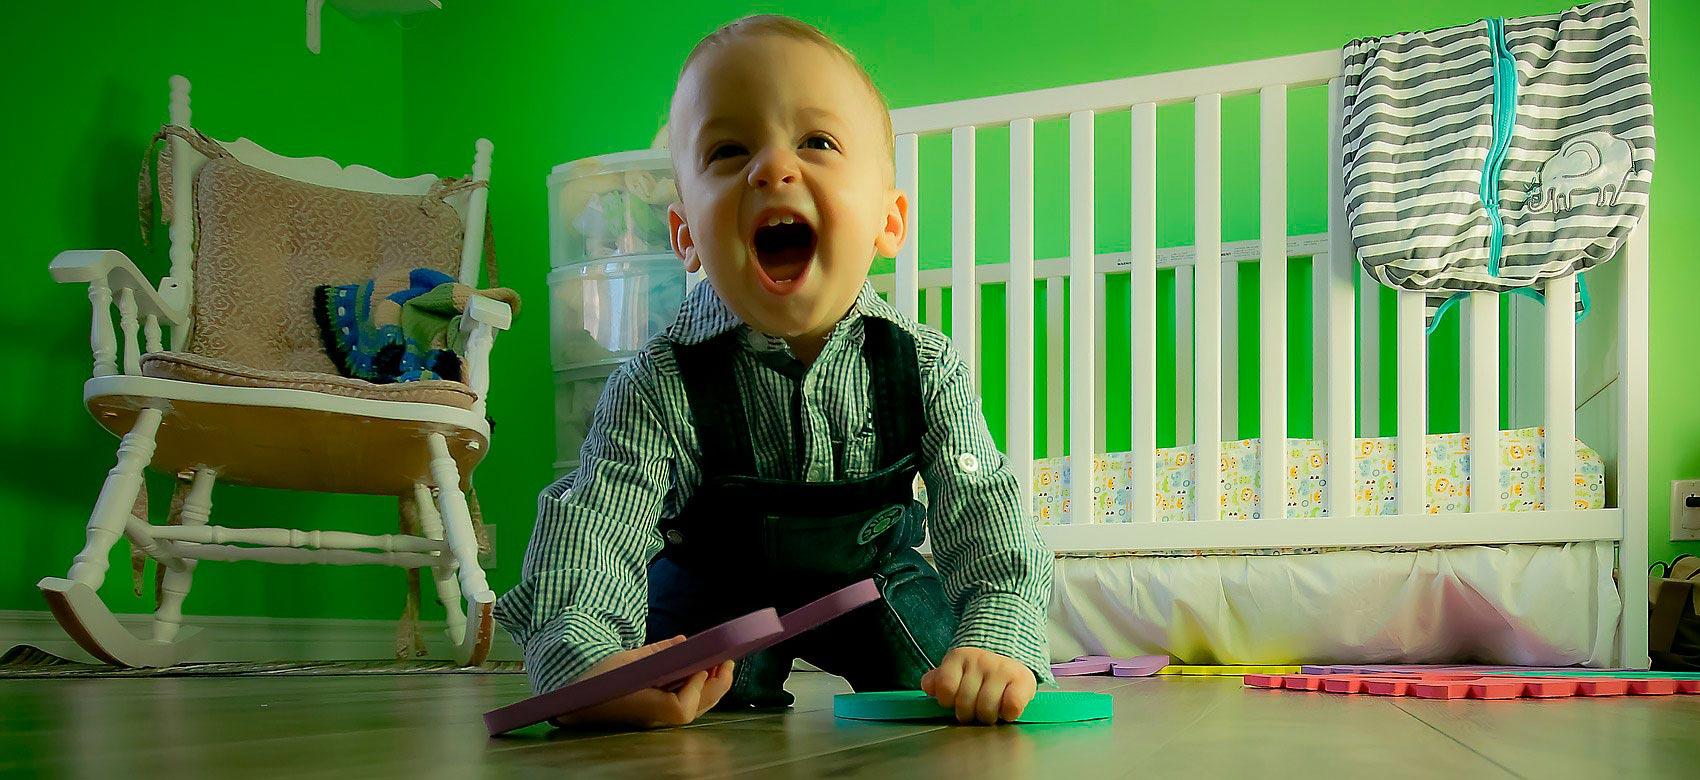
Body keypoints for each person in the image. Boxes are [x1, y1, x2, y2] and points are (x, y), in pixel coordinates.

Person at [496, 14, 1053, 729]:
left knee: (952, 687)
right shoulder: (657, 382)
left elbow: (985, 513)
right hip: (717, 594)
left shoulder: (926, 364)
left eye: (817, 141)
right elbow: (596, 524)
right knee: (671, 695)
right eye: (729, 151)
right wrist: (584, 658)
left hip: (873, 582)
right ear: (687, 236)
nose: (772, 168)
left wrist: (996, 633)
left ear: (888, 222)